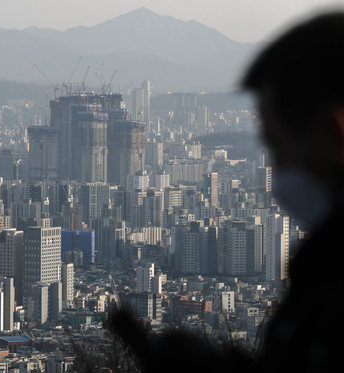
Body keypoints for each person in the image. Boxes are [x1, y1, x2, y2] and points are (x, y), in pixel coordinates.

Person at [109, 12, 344, 372]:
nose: (275, 169)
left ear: (334, 132)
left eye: (278, 147)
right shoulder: (323, 262)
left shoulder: (331, 280)